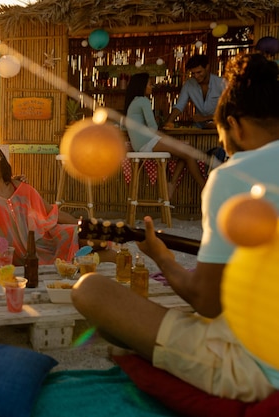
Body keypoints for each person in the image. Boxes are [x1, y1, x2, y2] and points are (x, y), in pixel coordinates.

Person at [72, 53, 279, 402]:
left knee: (89, 290)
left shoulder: (233, 175)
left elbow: (208, 304)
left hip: (259, 369)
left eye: (222, 135)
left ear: (236, 126)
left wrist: (162, 258)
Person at [0, 142, 80, 264]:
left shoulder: (22, 189)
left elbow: (52, 213)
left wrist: (83, 226)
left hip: (39, 248)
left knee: (83, 237)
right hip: (9, 256)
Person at [124, 72, 208, 198]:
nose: (151, 86)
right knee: (189, 152)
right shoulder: (143, 101)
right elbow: (153, 128)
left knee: (187, 149)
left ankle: (172, 184)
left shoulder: (133, 103)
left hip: (141, 144)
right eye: (149, 84)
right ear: (142, 86)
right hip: (147, 143)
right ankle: (205, 189)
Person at [163, 54, 226, 129]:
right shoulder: (188, 84)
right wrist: (168, 123)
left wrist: (205, 118)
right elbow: (179, 106)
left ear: (207, 67)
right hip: (198, 128)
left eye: (199, 72)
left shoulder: (222, 84)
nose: (196, 76)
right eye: (193, 73)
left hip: (219, 128)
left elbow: (230, 110)